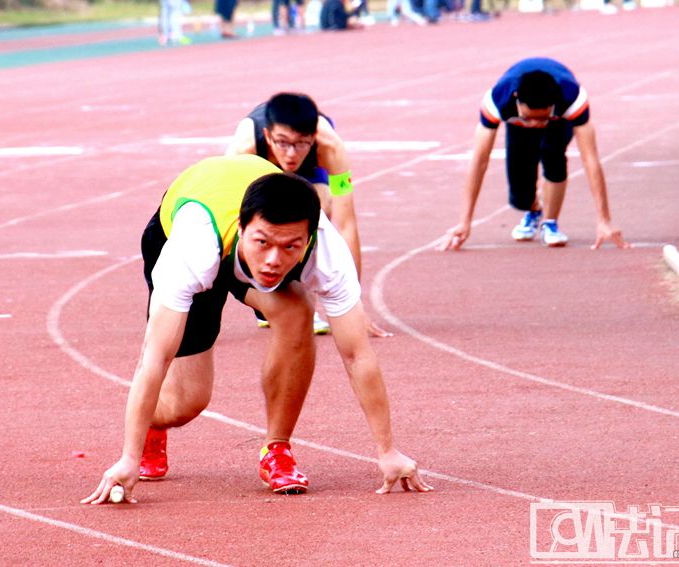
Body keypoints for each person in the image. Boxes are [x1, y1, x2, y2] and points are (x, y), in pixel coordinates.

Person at [81, 155, 431, 505]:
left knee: (297, 308)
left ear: (309, 237)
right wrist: (129, 457)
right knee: (185, 404)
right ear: (242, 227)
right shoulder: (191, 249)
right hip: (192, 234)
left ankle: (277, 449)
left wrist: (388, 451)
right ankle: (154, 427)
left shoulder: (327, 253)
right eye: (263, 243)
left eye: (290, 246)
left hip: (236, 242)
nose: (273, 261)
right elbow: (155, 358)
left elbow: (357, 355)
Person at [226, 92, 391, 337]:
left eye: (300, 144)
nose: (291, 154)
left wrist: (352, 305)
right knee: (258, 223)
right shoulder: (244, 149)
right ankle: (271, 295)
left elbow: (346, 224)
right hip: (259, 168)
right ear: (268, 136)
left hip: (310, 169)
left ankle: (297, 290)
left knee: (319, 208)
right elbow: (230, 217)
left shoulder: (331, 148)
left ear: (313, 138)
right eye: (283, 143)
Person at [441, 57, 630, 251]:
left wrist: (604, 219)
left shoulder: (571, 98)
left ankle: (550, 222)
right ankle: (533, 209)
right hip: (518, 125)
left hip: (557, 123)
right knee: (520, 195)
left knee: (553, 152)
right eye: (530, 118)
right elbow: (479, 161)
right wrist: (464, 221)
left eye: (542, 119)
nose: (536, 125)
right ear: (517, 99)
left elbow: (590, 159)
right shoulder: (497, 101)